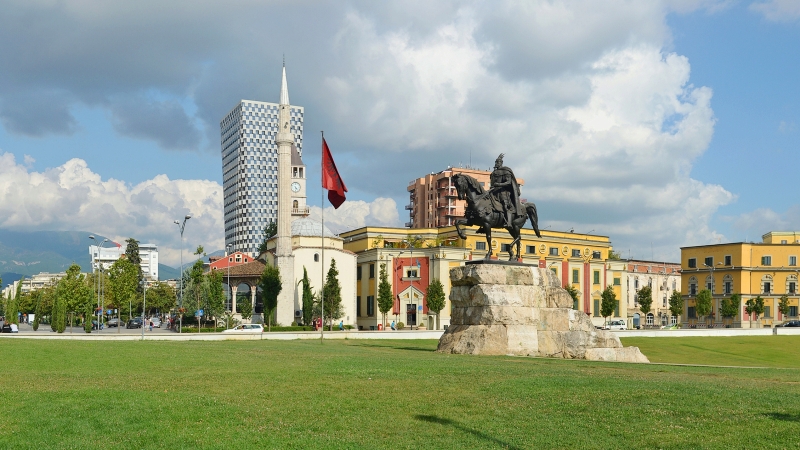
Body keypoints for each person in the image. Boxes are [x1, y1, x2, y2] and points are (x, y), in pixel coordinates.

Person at [488, 153, 523, 227]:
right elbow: (492, 184)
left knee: (506, 206)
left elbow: (509, 182)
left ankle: (509, 223)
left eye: (498, 162)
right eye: (495, 162)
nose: (496, 163)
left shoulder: (506, 171)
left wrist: (499, 184)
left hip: (503, 192)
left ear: (501, 163)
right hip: (493, 192)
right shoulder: (493, 173)